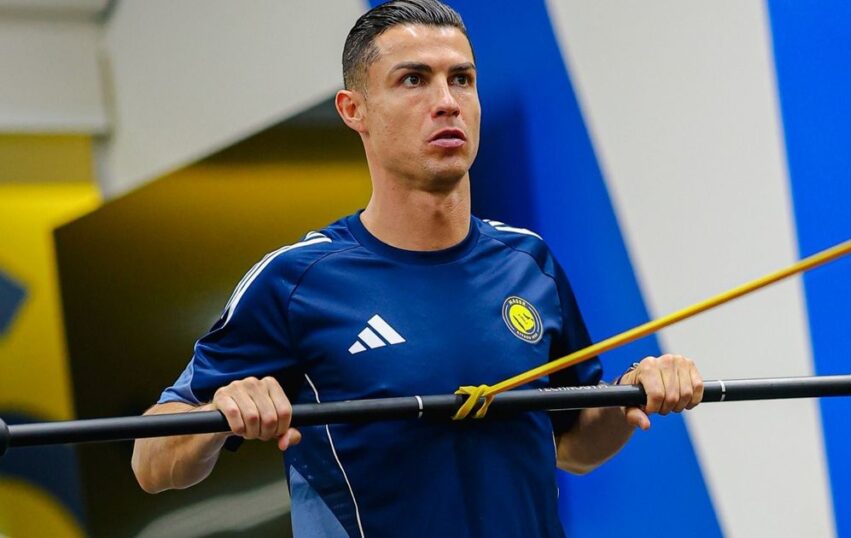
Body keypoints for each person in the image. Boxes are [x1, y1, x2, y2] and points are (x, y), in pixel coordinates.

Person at [131, 1, 704, 536]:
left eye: (462, 79)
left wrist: (632, 392)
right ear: (354, 110)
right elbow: (151, 464)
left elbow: (573, 446)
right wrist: (219, 415)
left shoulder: (529, 263)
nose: (447, 101)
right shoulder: (295, 281)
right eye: (413, 79)